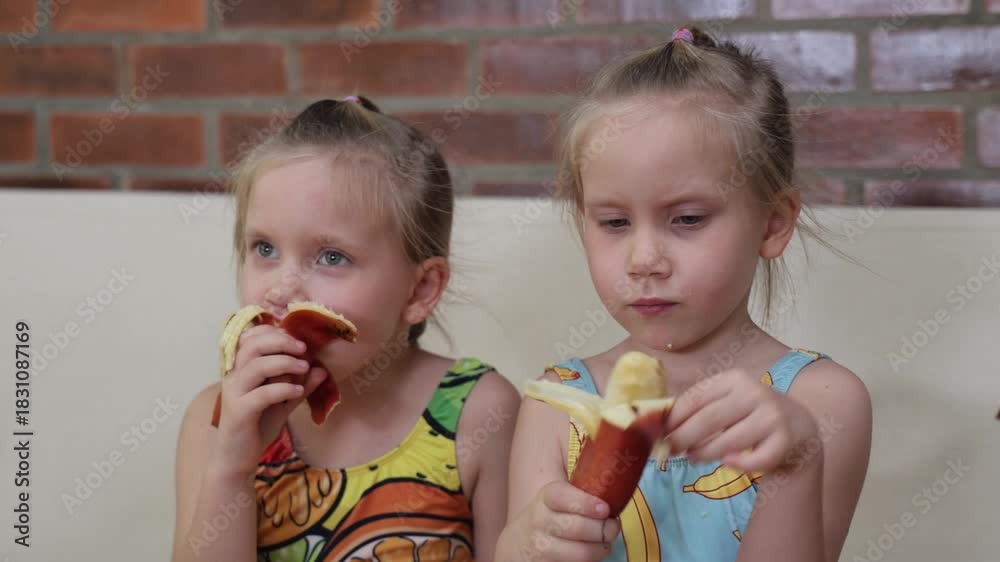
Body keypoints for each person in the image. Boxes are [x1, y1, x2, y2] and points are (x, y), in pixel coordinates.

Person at [498, 27, 873, 562]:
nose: (644, 259)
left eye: (688, 219)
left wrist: (794, 464)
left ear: (772, 223)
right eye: (614, 222)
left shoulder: (821, 402)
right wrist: (520, 547)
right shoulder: (556, 406)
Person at [170, 96, 520, 562]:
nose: (282, 289)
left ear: (419, 289)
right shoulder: (213, 421)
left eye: (332, 257)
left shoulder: (479, 412)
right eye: (264, 249)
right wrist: (233, 465)